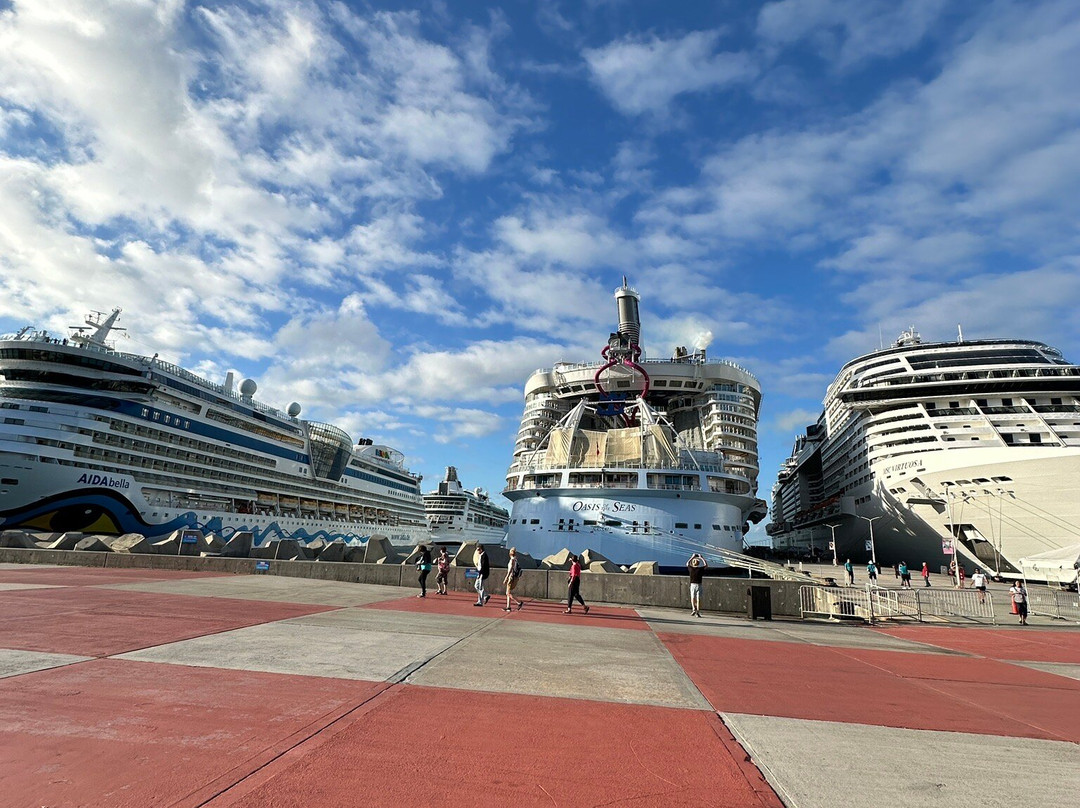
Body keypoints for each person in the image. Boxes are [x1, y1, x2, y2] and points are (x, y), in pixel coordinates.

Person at [503, 547, 525, 612]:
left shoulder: (512, 560)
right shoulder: (515, 560)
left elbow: (510, 570)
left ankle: (519, 602)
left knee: (508, 593)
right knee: (508, 592)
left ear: (510, 553)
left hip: (511, 578)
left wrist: (506, 578)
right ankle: (508, 607)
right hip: (514, 578)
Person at [687, 553, 707, 617]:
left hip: (692, 585)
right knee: (698, 599)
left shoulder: (691, 569)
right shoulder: (700, 569)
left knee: (692, 598)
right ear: (698, 564)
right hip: (699, 585)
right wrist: (701, 558)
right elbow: (706, 565)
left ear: (692, 563)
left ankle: (693, 609)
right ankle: (698, 611)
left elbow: (687, 563)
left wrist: (692, 557)